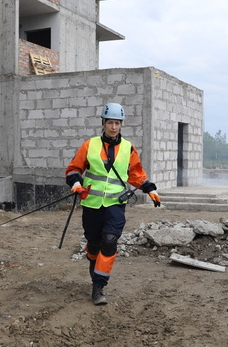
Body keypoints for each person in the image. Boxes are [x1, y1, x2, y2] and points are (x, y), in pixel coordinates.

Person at [65, 103, 161, 305]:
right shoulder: (89, 145)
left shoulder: (128, 148)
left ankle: (98, 286)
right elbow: (74, 168)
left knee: (109, 240)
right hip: (91, 204)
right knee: (94, 244)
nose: (114, 127)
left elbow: (135, 174)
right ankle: (93, 261)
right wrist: (75, 183)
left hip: (115, 205)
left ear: (121, 124)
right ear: (103, 123)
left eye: (117, 123)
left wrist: (149, 188)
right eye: (110, 122)